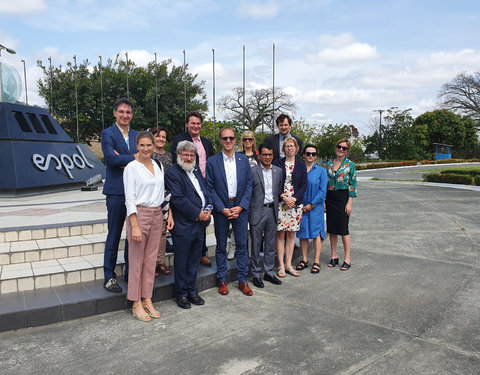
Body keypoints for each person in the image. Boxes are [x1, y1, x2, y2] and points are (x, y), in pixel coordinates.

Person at [123, 131, 174, 321]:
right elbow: (129, 198)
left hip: (156, 214)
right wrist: (134, 225)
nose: (146, 149)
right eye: (142, 145)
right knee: (137, 261)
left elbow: (162, 193)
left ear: (154, 146)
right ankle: (135, 302)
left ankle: (147, 299)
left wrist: (167, 214)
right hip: (139, 214)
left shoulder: (157, 165)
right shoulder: (131, 168)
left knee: (151, 261)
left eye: (149, 145)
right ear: (137, 146)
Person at [206, 127, 253, 296]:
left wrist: (241, 206)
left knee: (241, 246)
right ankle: (222, 280)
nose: (228, 141)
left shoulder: (243, 160)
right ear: (220, 140)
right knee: (220, 247)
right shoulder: (212, 161)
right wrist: (222, 208)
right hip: (222, 209)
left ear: (235, 140)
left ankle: (242, 280)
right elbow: (210, 187)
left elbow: (249, 184)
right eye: (224, 138)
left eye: (231, 138)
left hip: (240, 207)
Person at [166, 141, 212, 309]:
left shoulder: (196, 170)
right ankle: (182, 294)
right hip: (184, 226)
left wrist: (208, 208)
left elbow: (206, 192)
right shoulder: (172, 173)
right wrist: (197, 213)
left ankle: (192, 291)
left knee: (194, 261)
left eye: (191, 155)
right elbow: (178, 199)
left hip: (200, 225)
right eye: (185, 154)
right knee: (182, 262)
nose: (188, 157)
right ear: (178, 155)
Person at [101, 98, 139, 293]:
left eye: (128, 112)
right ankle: (109, 276)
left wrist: (124, 159)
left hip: (136, 193)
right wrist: (134, 158)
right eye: (121, 112)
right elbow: (111, 159)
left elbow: (145, 157)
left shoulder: (138, 135)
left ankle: (130, 272)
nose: (125, 115)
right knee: (114, 234)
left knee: (133, 235)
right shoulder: (107, 133)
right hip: (116, 192)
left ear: (132, 115)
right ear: (115, 113)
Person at [171, 111, 215, 267]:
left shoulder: (206, 142)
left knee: (202, 222)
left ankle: (201, 253)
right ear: (187, 124)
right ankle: (189, 254)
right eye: (193, 123)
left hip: (203, 184)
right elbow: (176, 163)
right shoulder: (179, 140)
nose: (196, 126)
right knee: (191, 218)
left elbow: (211, 163)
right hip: (187, 184)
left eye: (198, 123)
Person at [249, 143, 283, 288]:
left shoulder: (278, 171)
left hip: (272, 211)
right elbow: (248, 192)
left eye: (270, 155)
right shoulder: (252, 171)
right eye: (264, 154)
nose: (267, 157)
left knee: (270, 245)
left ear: (273, 156)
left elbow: (279, 190)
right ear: (259, 156)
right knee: (256, 244)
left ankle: (268, 273)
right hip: (258, 211)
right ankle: (256, 274)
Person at [273, 137, 307, 278]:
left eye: (292, 146)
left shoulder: (301, 165)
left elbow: (304, 184)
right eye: (287, 146)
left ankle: (289, 265)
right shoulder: (277, 163)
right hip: (281, 203)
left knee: (291, 235)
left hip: (295, 204)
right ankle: (281, 266)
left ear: (296, 148)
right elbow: (274, 183)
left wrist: (294, 198)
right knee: (280, 234)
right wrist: (283, 196)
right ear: (283, 149)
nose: (289, 148)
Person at [325, 138, 357, 271]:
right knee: (332, 229)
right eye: (339, 146)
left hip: (343, 197)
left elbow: (353, 185)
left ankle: (347, 258)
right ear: (336, 147)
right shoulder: (329, 164)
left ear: (347, 151)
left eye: (344, 148)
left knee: (343, 229)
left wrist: (349, 203)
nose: (341, 149)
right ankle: (334, 256)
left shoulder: (350, 165)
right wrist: (325, 202)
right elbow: (326, 183)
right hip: (330, 197)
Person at [295, 145, 328, 274]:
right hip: (301, 207)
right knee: (303, 233)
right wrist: (301, 204)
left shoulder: (321, 171)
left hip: (315, 207)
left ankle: (316, 261)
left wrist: (312, 205)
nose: (310, 156)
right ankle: (304, 259)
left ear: (316, 156)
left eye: (313, 154)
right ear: (303, 155)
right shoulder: (298, 170)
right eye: (308, 153)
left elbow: (322, 191)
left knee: (316, 234)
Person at [151, 126, 173, 276]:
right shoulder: (148, 154)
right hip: (151, 196)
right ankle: (151, 263)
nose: (161, 139)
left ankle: (161, 262)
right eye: (158, 136)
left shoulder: (169, 156)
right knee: (153, 232)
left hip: (166, 196)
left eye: (164, 137)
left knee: (163, 232)